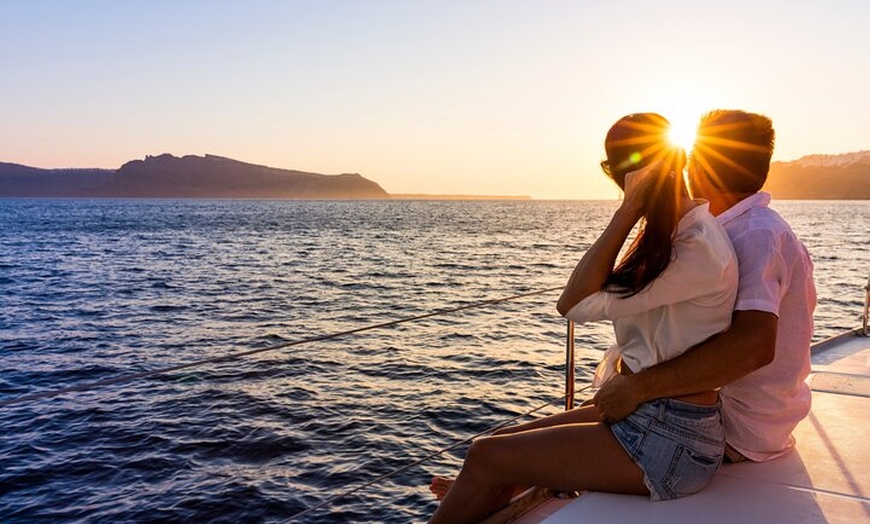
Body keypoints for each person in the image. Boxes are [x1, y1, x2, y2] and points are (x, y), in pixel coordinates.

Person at [428, 113, 738, 523]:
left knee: (486, 457)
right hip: (653, 416)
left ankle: (480, 487)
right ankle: (479, 492)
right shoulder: (680, 234)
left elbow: (572, 303)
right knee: (497, 445)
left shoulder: (693, 247)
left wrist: (629, 209)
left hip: (672, 441)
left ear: (618, 175)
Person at [592, 110, 816, 464]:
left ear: (698, 165)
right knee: (519, 444)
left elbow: (754, 346)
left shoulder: (756, 235)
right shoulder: (739, 228)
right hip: (724, 415)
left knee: (510, 455)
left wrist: (638, 388)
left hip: (732, 427)